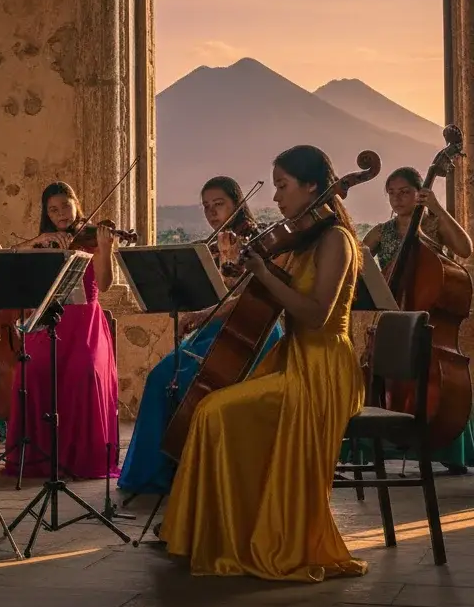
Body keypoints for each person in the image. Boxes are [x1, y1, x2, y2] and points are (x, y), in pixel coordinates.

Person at [160, 145, 367, 582]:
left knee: (215, 413)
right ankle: (227, 532)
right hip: (293, 358)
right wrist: (220, 302)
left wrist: (265, 272)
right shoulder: (303, 238)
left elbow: (316, 314)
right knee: (215, 408)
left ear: (312, 186)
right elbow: (260, 296)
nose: (275, 198)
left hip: (323, 370)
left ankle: (250, 537)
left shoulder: (337, 241)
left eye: (282, 185)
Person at [118, 177, 284, 496]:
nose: (211, 211)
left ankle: (189, 470)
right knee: (161, 379)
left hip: (252, 329)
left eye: (218, 203)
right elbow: (210, 294)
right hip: (215, 328)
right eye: (206, 206)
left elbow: (255, 296)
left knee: (180, 382)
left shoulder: (260, 239)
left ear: (237, 202)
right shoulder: (209, 246)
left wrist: (207, 307)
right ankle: (166, 469)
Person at [349, 166, 474, 472]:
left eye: (404, 192)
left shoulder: (432, 225)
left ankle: (448, 450)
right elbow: (358, 265)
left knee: (437, 386)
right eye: (391, 193)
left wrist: (437, 209)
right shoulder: (382, 231)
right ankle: (380, 442)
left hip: (429, 320)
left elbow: (465, 249)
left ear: (419, 192)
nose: (397, 198)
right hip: (394, 318)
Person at [4, 181, 119, 480]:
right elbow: (11, 256)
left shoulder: (93, 238)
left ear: (76, 203)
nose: (61, 215)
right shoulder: (47, 241)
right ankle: (39, 458)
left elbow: (104, 285)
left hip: (87, 324)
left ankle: (80, 459)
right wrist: (38, 242)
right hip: (51, 319)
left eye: (65, 206)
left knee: (85, 372)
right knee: (31, 371)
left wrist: (105, 248)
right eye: (53, 210)